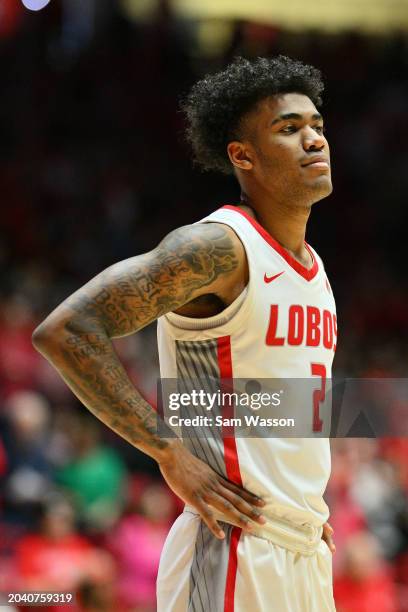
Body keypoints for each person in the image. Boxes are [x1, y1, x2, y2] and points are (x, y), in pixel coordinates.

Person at [32, 55, 337, 611]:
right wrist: (168, 452)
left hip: (305, 550)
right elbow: (68, 329)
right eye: (289, 130)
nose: (314, 140)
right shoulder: (217, 248)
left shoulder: (313, 266)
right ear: (242, 155)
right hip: (235, 545)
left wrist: (305, 509)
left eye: (316, 125)